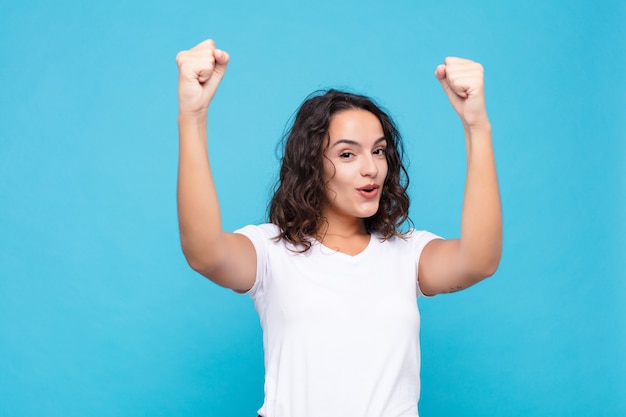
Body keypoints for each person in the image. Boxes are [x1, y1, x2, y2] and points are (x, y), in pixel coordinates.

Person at [176, 39, 502, 417]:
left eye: (378, 150)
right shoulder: (270, 251)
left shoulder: (407, 253)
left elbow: (479, 261)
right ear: (312, 165)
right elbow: (203, 252)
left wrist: (476, 126)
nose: (371, 168)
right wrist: (193, 116)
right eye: (348, 154)